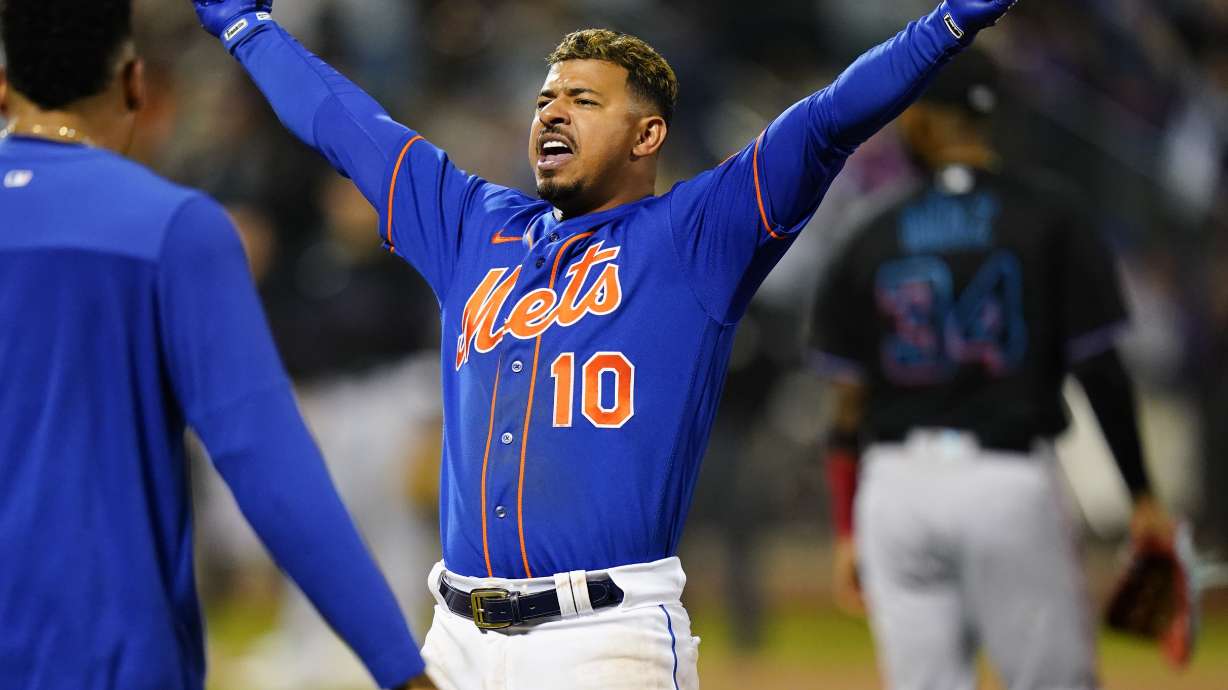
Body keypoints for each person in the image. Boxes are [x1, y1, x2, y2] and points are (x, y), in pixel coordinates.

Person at [191, 0, 1020, 687]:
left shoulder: (696, 236)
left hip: (604, 641)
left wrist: (948, 21)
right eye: (547, 99)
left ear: (647, 135)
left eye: (584, 101)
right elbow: (346, 123)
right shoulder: (473, 226)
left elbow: (828, 121)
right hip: (454, 639)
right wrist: (246, 28)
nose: (551, 111)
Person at [0, 1, 432, 688]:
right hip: (106, 654)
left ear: (1, 89)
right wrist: (399, 667)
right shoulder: (173, 227)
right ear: (137, 85)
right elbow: (268, 461)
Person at [808, 50, 1175, 690]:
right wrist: (1141, 494)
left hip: (894, 491)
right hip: (1006, 481)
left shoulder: (868, 230)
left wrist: (846, 530)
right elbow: (1100, 369)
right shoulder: (1050, 214)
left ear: (923, 118)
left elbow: (846, 404)